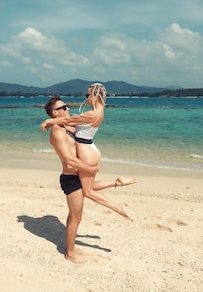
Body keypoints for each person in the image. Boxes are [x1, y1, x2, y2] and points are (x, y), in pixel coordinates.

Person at [43, 95, 134, 263]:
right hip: (70, 178)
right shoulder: (58, 132)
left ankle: (116, 183)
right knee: (75, 216)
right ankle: (70, 253)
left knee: (86, 195)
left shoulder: (68, 126)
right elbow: (69, 159)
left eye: (67, 106)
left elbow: (87, 121)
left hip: (79, 174)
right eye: (64, 107)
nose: (68, 109)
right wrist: (91, 168)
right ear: (55, 112)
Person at [42, 85, 135, 220]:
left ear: (95, 96)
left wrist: (49, 120)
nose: (86, 99)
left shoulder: (92, 113)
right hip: (91, 149)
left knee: (88, 191)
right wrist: (54, 123)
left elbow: (68, 120)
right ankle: (117, 183)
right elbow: (70, 123)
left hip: (86, 151)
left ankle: (117, 207)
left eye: (87, 95)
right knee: (89, 187)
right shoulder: (98, 112)